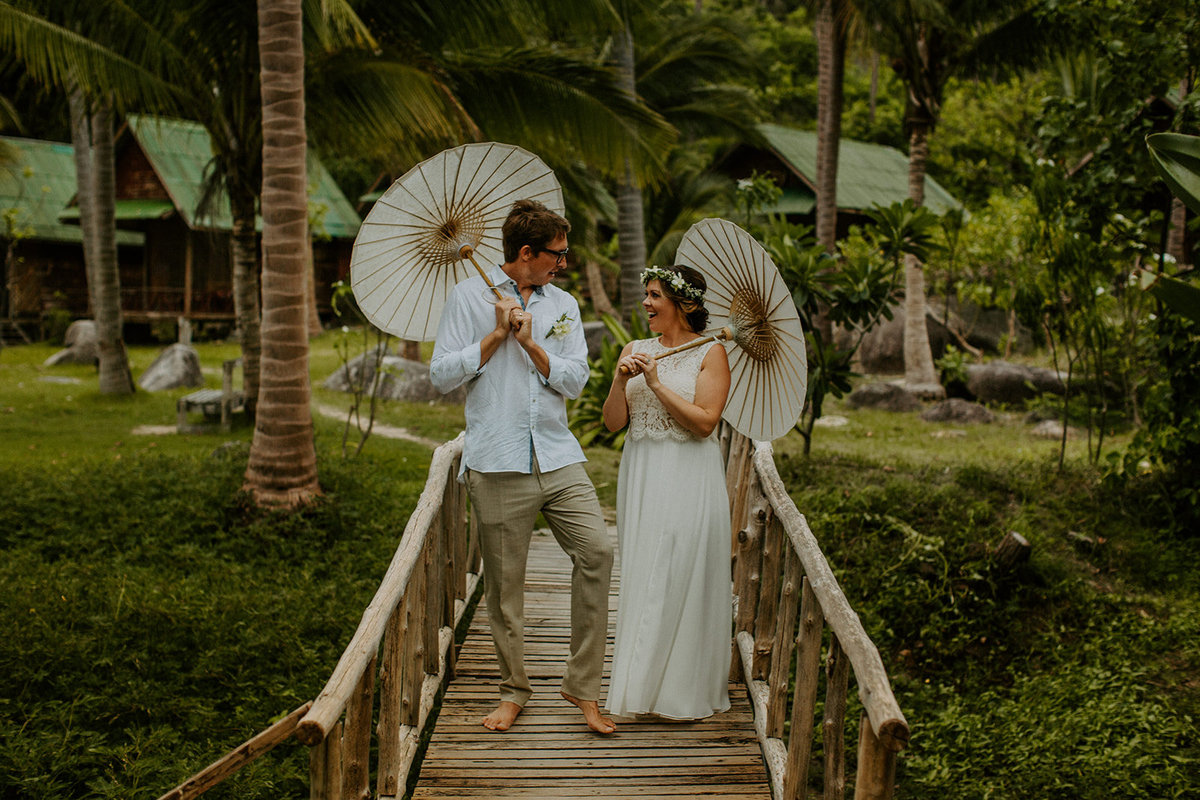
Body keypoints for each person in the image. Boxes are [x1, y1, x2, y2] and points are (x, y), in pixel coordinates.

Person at [429, 199, 616, 734]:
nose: (564, 262)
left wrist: (532, 345)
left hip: (557, 455)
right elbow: (441, 375)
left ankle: (582, 688)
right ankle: (514, 690)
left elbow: (577, 379)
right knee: (505, 586)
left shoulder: (565, 305)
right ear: (527, 252)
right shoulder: (468, 295)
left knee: (598, 552)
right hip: (497, 460)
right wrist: (492, 339)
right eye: (556, 253)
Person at [601, 264, 733, 720]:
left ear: (685, 305)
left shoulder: (712, 353)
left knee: (676, 572)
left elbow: (704, 423)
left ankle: (677, 692)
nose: (647, 304)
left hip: (688, 474)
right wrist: (622, 380)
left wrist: (656, 384)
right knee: (644, 573)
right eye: (647, 294)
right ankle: (640, 691)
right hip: (641, 473)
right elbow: (614, 422)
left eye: (655, 295)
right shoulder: (635, 348)